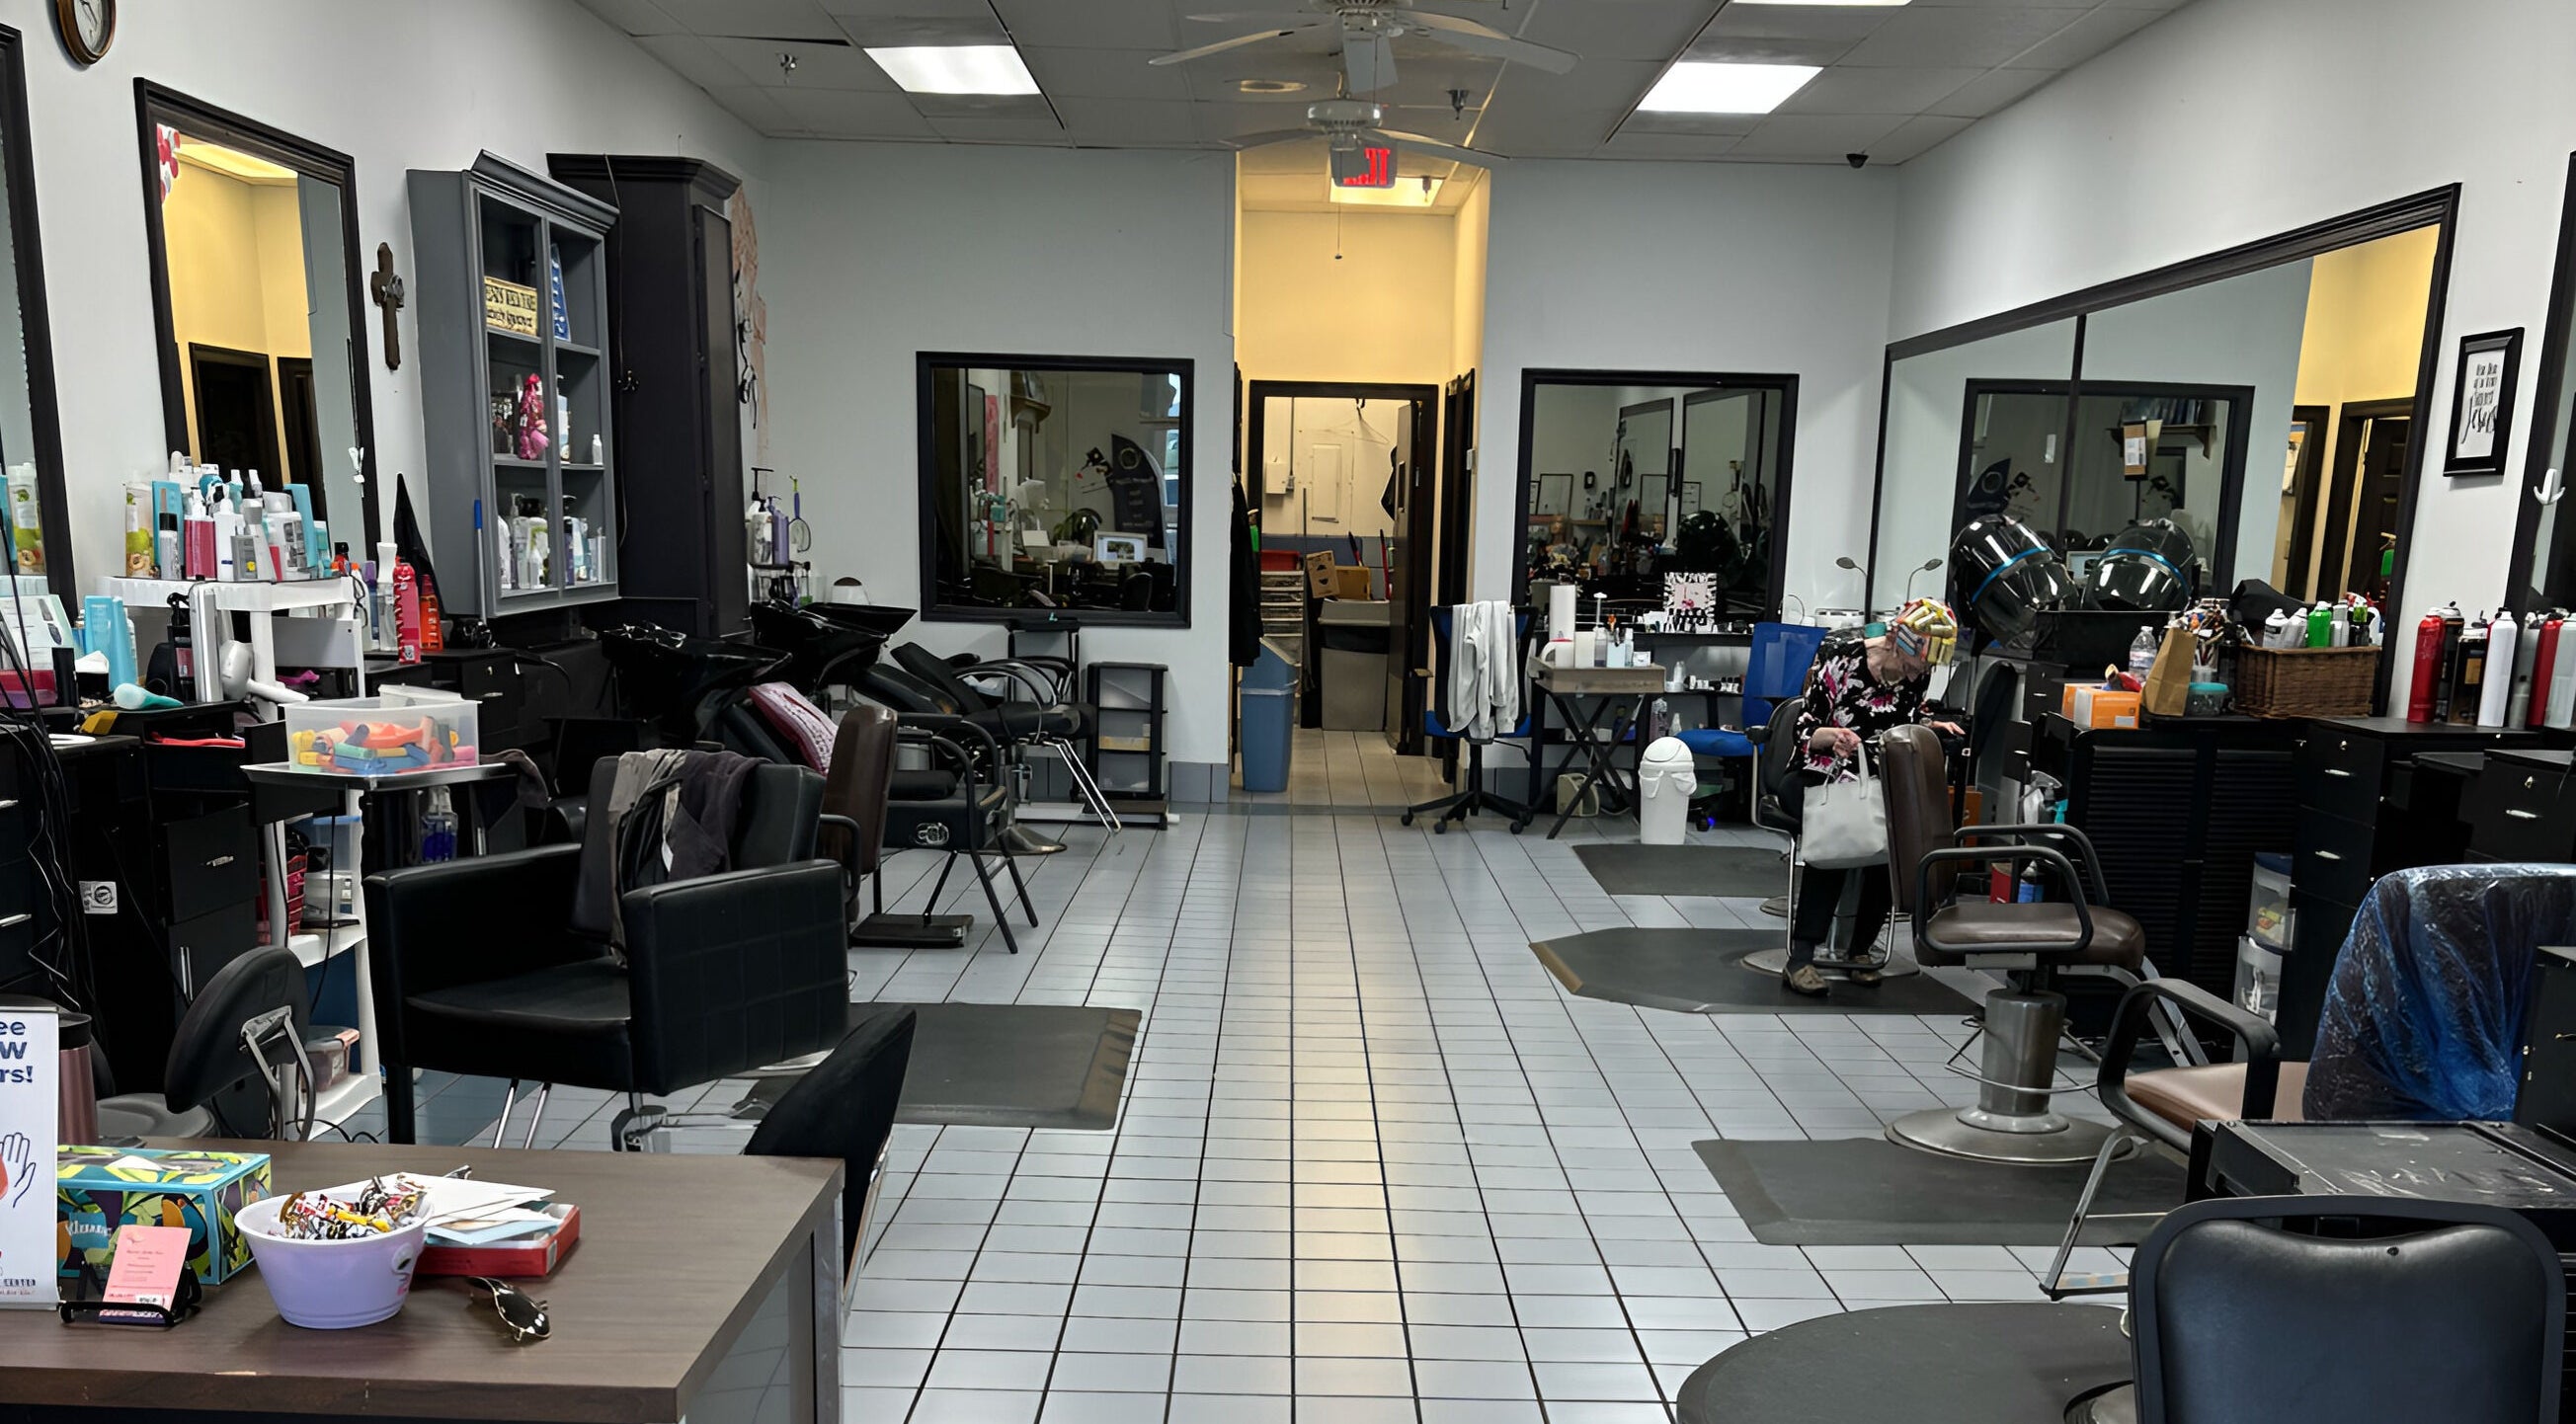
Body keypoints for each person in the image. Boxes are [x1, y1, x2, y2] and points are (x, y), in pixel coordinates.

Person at [1779, 597, 1965, 997]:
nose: (1925, 671)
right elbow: (1804, 730)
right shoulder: (1842, 658)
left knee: (1893, 834)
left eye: (1932, 663)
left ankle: (1860, 949)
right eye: (1922, 660)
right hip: (1820, 769)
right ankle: (1802, 956)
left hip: (1877, 777)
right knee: (1839, 835)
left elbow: (1904, 720)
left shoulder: (1917, 674)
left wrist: (1933, 726)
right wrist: (1836, 737)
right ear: (1903, 640)